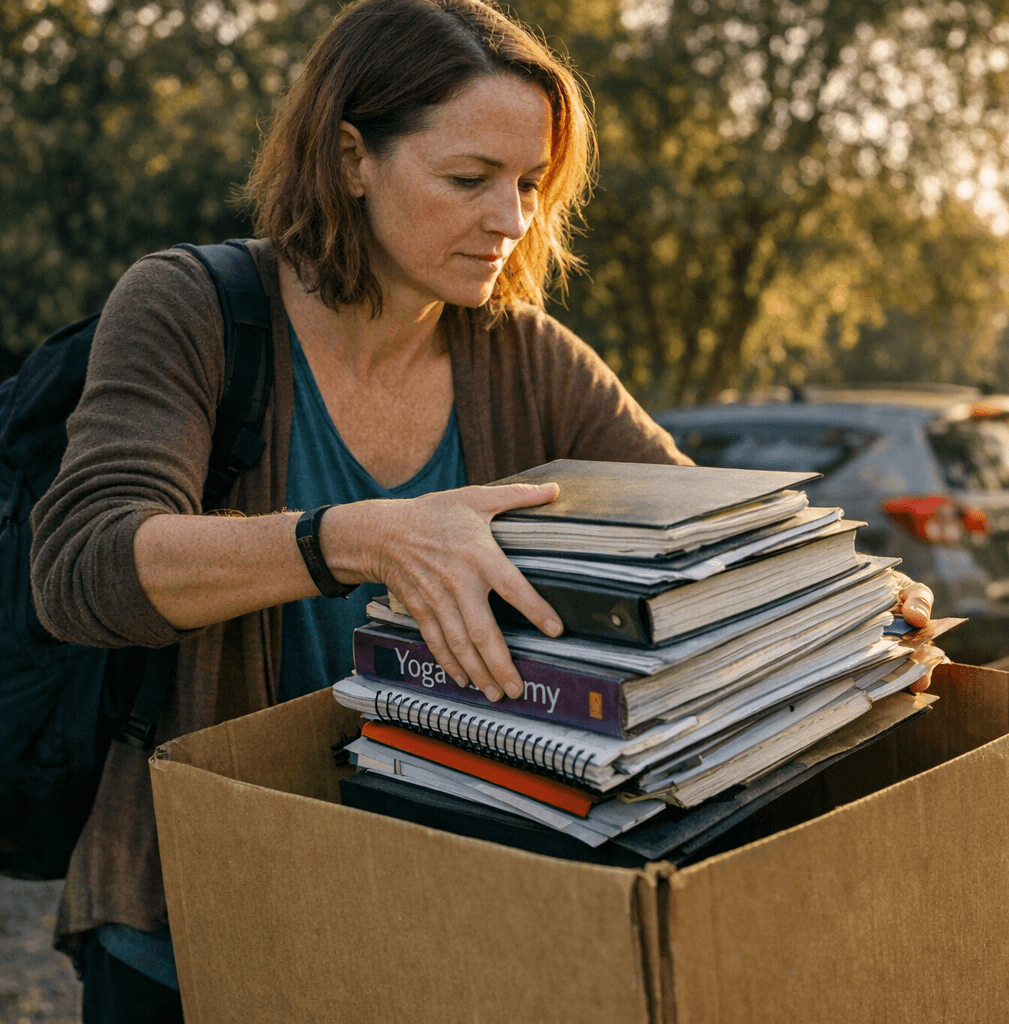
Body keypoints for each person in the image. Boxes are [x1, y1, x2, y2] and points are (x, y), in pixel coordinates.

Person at [28, 1, 935, 1019]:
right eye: (469, 179)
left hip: (437, 913)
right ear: (349, 155)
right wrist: (361, 536)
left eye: (529, 184)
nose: (510, 220)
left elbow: (715, 537)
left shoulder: (526, 353)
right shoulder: (190, 307)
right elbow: (83, 568)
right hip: (191, 914)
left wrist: (858, 601)